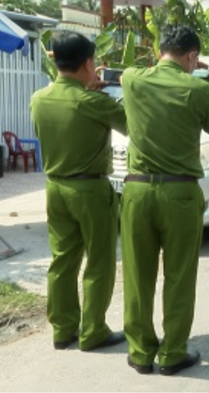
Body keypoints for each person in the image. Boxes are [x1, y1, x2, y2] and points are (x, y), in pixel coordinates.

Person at [120, 24, 209, 375]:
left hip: (137, 191)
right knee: (179, 275)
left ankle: (140, 352)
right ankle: (171, 354)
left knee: (138, 275)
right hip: (180, 193)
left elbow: (147, 69)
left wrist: (190, 65)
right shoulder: (198, 91)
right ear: (193, 56)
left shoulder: (132, 80)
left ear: (159, 50)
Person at [30, 32, 127, 351]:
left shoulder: (38, 99)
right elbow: (130, 125)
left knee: (62, 260)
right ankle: (93, 331)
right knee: (99, 261)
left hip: (55, 187)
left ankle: (63, 329)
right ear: (88, 63)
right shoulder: (95, 102)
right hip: (90, 188)